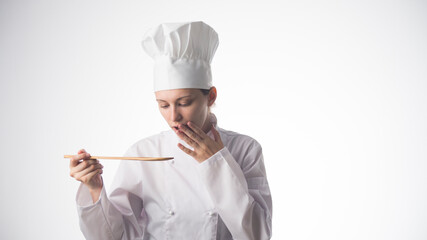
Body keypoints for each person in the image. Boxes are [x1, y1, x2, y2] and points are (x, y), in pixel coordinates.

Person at [69, 21, 272, 240]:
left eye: (184, 102)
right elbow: (113, 237)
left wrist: (217, 162)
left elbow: (257, 234)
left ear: (210, 96)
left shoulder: (245, 149)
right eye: (163, 105)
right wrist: (94, 188)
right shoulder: (143, 152)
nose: (173, 117)